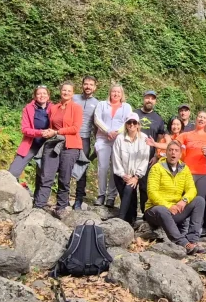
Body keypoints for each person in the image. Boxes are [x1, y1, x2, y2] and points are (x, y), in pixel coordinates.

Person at [144, 140, 206, 255]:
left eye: (176, 151)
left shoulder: (184, 169)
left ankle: (192, 240)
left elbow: (192, 189)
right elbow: (152, 193)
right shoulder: (157, 168)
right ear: (166, 153)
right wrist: (168, 206)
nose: (173, 153)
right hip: (155, 211)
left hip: (176, 210)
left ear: (180, 154)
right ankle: (183, 243)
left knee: (199, 201)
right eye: (170, 150)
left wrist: (184, 201)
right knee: (162, 209)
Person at [35, 82, 83, 217]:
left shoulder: (76, 108)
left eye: (69, 91)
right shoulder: (54, 108)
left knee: (64, 178)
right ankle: (39, 206)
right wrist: (50, 133)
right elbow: (50, 125)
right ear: (60, 91)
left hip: (70, 145)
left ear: (73, 93)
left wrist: (56, 132)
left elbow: (75, 128)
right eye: (64, 90)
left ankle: (61, 207)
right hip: (52, 144)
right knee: (46, 176)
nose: (66, 92)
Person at [93, 84, 133, 207]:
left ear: (122, 94)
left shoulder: (126, 107)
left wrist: (116, 132)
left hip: (119, 140)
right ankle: (101, 195)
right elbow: (97, 119)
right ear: (110, 93)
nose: (116, 94)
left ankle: (111, 197)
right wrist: (107, 131)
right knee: (103, 167)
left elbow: (128, 121)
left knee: (115, 169)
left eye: (118, 92)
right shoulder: (102, 104)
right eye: (113, 92)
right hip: (103, 139)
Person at [178, 111, 206, 235]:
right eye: (200, 117)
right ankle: (183, 227)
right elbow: (172, 146)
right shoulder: (186, 135)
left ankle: (196, 228)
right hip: (187, 172)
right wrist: (156, 145)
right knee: (186, 198)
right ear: (196, 119)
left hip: (204, 173)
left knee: (199, 201)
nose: (201, 119)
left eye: (204, 118)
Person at [8, 86, 53, 188]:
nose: (42, 96)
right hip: (30, 144)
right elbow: (25, 129)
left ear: (48, 96)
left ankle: (38, 202)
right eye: (39, 94)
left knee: (43, 174)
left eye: (44, 93)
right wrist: (40, 133)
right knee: (13, 171)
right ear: (35, 96)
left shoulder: (54, 108)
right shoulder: (28, 108)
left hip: (47, 145)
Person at [112, 113, 150, 224]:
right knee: (127, 196)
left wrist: (136, 176)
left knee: (129, 190)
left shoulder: (144, 138)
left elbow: (144, 159)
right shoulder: (120, 138)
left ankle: (120, 219)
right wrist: (123, 174)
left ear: (138, 124)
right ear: (126, 124)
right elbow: (116, 158)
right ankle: (130, 219)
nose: (132, 125)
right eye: (129, 122)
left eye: (134, 122)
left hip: (135, 174)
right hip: (121, 174)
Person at [135, 90, 167, 214]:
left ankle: (144, 214)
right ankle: (129, 215)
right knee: (130, 185)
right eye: (147, 98)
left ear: (155, 101)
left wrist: (156, 155)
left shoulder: (158, 119)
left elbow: (159, 139)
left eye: (152, 98)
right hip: (133, 154)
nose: (149, 100)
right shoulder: (135, 114)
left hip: (149, 157)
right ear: (144, 99)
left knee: (145, 187)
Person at [72, 76, 99, 210]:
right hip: (70, 135)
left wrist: (97, 143)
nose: (88, 86)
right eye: (86, 84)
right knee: (66, 165)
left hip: (85, 138)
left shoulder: (97, 103)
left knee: (82, 167)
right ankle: (64, 196)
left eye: (91, 85)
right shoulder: (74, 98)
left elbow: (96, 125)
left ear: (95, 87)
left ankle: (78, 198)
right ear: (82, 85)